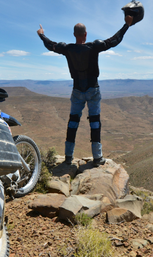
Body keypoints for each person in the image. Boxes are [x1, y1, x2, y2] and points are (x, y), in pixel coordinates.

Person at [37, 15, 133, 166]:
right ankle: (97, 158)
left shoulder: (67, 49)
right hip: (93, 89)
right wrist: (126, 25)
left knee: (72, 122)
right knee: (95, 122)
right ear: (86, 34)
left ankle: (68, 157)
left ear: (74, 35)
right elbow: (114, 40)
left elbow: (51, 45)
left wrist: (42, 34)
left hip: (77, 90)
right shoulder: (93, 47)